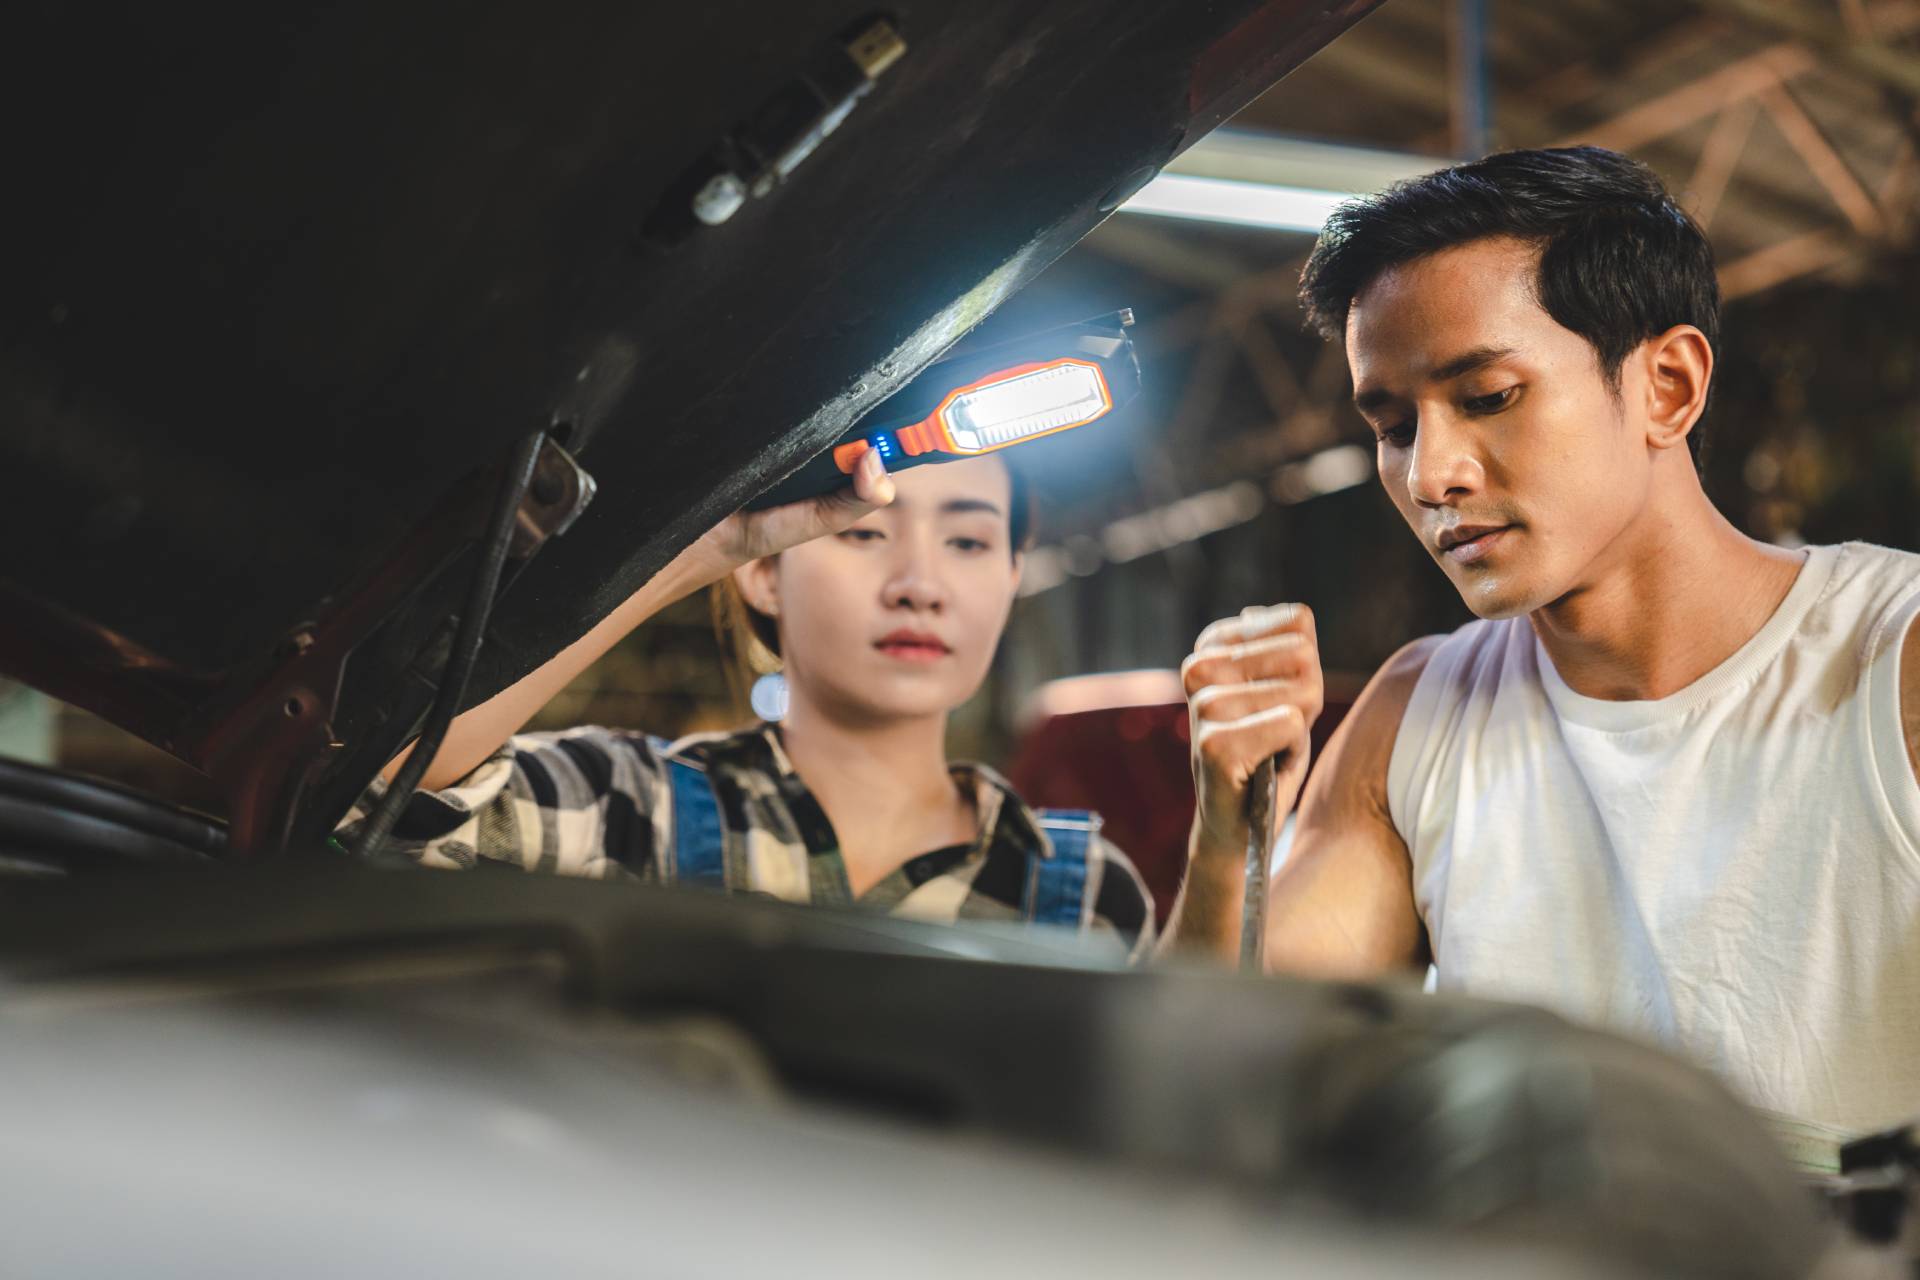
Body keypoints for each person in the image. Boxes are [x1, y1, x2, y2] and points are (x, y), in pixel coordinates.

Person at [1163, 146, 1920, 1138]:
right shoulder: (1417, 718)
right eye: (1393, 426)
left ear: (1667, 386)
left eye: (1486, 397)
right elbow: (1208, 1095)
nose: (1430, 474)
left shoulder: (1893, 661)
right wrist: (1228, 844)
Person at [339, 447, 1156, 962]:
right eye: (865, 532)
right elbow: (374, 798)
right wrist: (697, 552)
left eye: (969, 542)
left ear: (1013, 575)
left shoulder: (1085, 896)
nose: (920, 586)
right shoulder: (625, 809)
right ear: (765, 571)